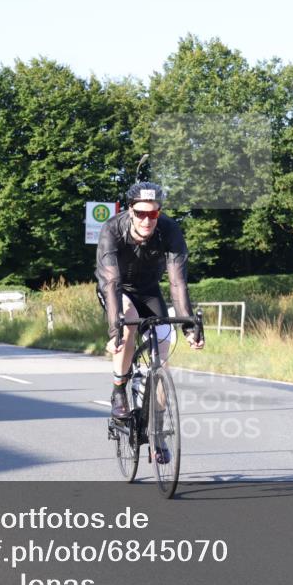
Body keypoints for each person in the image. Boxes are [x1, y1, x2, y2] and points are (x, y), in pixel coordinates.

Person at [95, 181, 205, 439]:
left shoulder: (169, 230)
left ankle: (156, 429)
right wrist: (115, 332)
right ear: (130, 211)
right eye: (141, 213)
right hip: (117, 289)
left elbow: (177, 281)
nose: (147, 220)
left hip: (148, 290)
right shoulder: (112, 229)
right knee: (129, 321)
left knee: (162, 354)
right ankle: (119, 389)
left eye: (153, 214)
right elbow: (110, 282)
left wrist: (189, 327)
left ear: (159, 212)